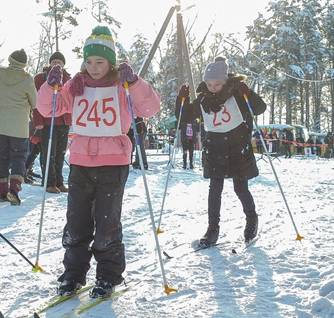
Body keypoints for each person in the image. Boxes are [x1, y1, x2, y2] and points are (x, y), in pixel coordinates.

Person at [39, 25, 161, 299]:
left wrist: (136, 83)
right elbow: (48, 108)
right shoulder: (76, 85)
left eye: (100, 62)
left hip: (113, 162)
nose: (94, 68)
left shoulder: (122, 86)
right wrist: (51, 87)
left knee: (107, 223)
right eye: (89, 62)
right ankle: (72, 275)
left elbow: (151, 108)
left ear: (111, 63)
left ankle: (107, 276)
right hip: (81, 161)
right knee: (76, 222)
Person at [177, 56, 266, 247]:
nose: (213, 87)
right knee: (214, 190)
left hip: (238, 149)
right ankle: (212, 229)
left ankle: (251, 220)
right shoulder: (202, 99)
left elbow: (259, 108)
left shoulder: (236, 94)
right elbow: (183, 117)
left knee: (240, 188)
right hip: (215, 150)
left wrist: (249, 94)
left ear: (224, 81)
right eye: (209, 84)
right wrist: (181, 100)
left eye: (217, 84)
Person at [0, 49, 37, 205]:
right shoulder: (27, 79)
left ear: (10, 60)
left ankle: (2, 193)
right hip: (18, 126)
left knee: (2, 158)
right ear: (24, 64)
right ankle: (14, 191)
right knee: (18, 157)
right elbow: (35, 102)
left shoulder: (1, 74)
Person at [34, 51, 71, 193]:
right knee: (49, 152)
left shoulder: (68, 78)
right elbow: (36, 100)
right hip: (48, 121)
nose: (57, 64)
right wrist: (37, 120)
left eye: (59, 62)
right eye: (54, 62)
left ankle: (59, 181)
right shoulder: (41, 78)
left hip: (64, 120)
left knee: (60, 153)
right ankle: (49, 181)